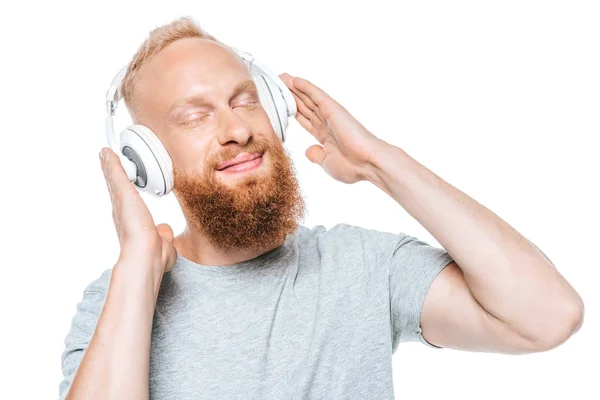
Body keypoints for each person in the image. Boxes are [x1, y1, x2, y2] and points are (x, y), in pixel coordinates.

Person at [58, 16, 584, 400]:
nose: (238, 130)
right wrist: (137, 266)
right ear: (147, 161)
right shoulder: (118, 302)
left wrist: (380, 163)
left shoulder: (362, 266)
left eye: (244, 100)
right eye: (195, 117)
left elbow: (547, 317)